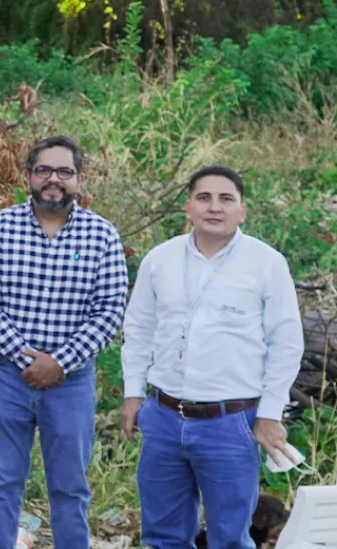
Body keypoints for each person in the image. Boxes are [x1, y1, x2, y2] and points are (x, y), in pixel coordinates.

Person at [120, 166, 300, 549]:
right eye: (204, 198)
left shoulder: (266, 264)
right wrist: (133, 394)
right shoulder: (160, 260)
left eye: (225, 199)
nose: (214, 207)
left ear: (242, 211)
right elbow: (137, 330)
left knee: (230, 538)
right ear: (188, 207)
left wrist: (269, 414)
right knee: (163, 536)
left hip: (230, 422)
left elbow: (286, 343)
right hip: (164, 417)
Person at [0, 136, 128, 549]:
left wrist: (59, 362)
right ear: (28, 176)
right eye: (44, 171)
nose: (53, 180)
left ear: (80, 179)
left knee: (70, 488)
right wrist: (28, 359)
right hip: (8, 376)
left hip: (70, 383)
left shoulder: (102, 235)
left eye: (64, 172)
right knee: (3, 484)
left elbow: (109, 311)